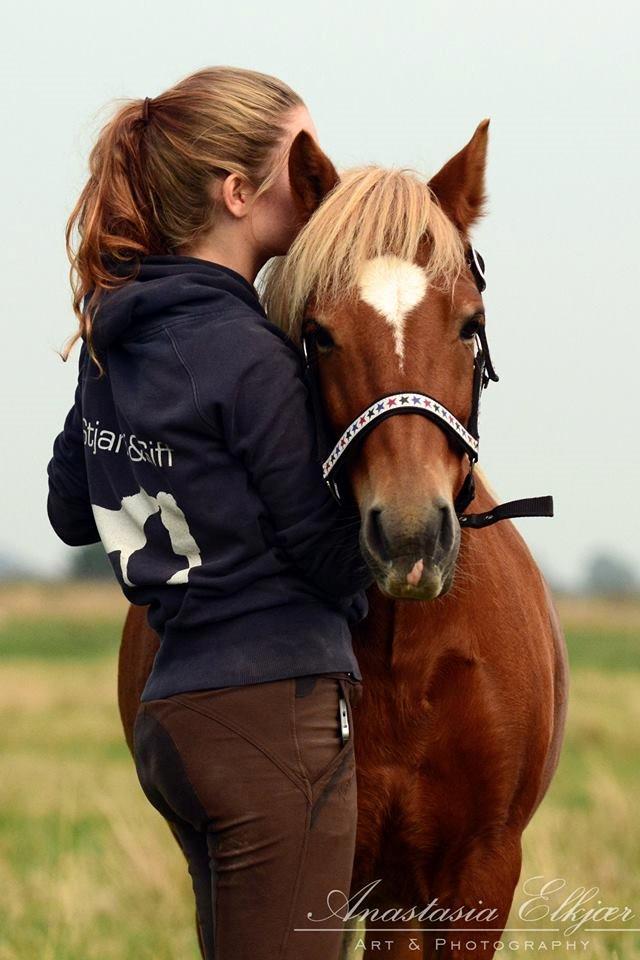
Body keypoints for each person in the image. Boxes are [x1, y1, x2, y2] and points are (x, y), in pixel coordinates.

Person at [46, 66, 373, 960]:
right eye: (302, 156)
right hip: (272, 721)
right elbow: (319, 549)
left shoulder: (114, 337)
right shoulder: (251, 354)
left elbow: (72, 510)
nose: (325, 178)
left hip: (174, 719)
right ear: (237, 192)